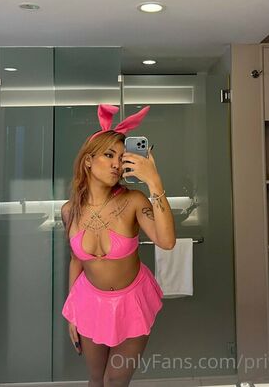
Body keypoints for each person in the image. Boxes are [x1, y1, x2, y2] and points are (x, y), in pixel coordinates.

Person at [61, 104, 176, 387]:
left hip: (131, 301)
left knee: (115, 380)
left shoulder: (133, 201)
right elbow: (77, 261)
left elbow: (167, 241)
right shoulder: (69, 211)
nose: (117, 164)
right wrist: (73, 313)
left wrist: (154, 181)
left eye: (122, 157)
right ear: (88, 161)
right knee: (95, 379)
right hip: (89, 301)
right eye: (109, 155)